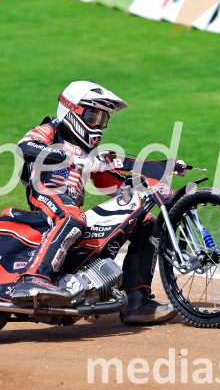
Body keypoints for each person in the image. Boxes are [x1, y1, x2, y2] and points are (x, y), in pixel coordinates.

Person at [10, 81, 177, 326]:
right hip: (46, 195)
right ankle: (34, 278)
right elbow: (25, 147)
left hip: (73, 209)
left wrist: (145, 187)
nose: (97, 124)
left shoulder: (90, 150)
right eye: (92, 115)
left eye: (102, 118)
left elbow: (109, 182)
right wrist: (70, 158)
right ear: (71, 110)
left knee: (146, 221)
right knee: (73, 216)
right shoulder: (50, 129)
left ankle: (137, 302)